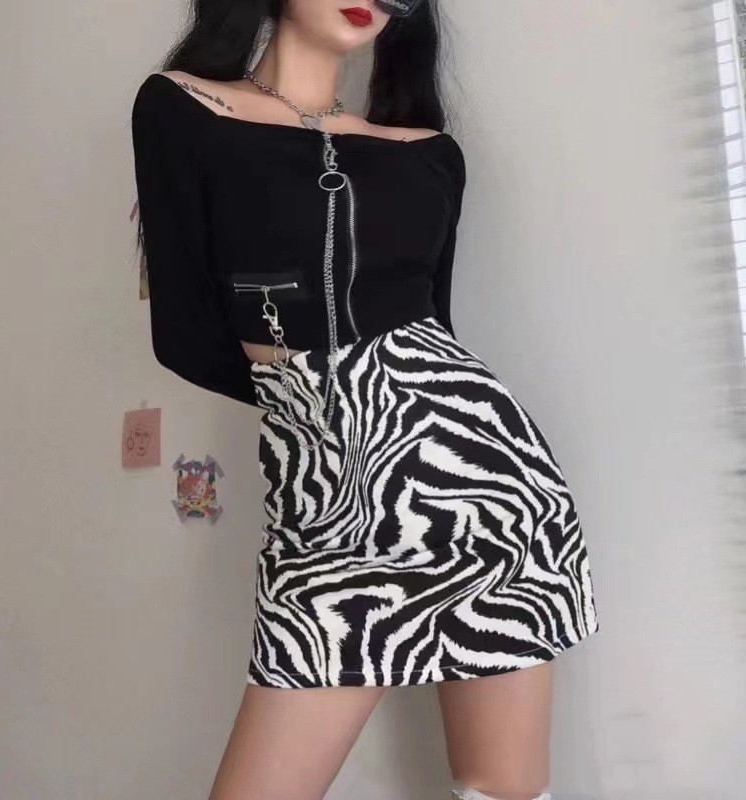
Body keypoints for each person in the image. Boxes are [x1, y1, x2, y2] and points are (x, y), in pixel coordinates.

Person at [130, 2, 601, 798]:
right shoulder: (183, 108)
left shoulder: (428, 152)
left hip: (490, 492)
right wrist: (326, 409)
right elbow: (183, 331)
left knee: (502, 792)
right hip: (328, 500)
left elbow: (436, 328)